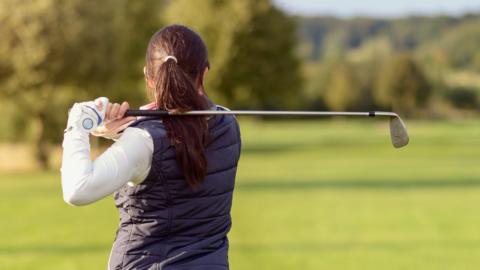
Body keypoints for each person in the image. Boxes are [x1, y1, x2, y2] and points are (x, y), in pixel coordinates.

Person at [61, 24, 241, 270]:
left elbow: (77, 190)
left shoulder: (142, 141)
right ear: (204, 73)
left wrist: (77, 125)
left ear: (148, 76)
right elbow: (177, 143)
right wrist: (121, 134)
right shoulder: (228, 123)